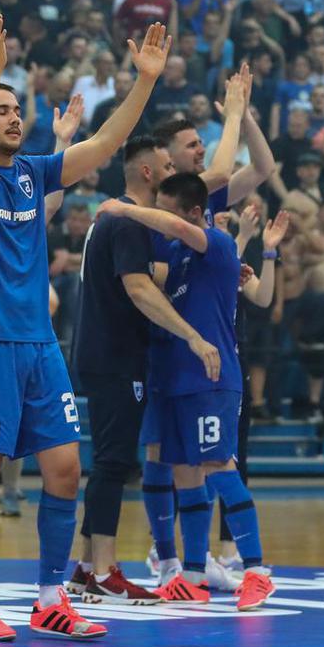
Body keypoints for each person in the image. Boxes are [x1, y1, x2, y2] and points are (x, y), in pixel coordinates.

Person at [0, 13, 169, 643]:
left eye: (18, 110)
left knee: (65, 469)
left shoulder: (32, 172)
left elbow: (103, 146)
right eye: (1, 110)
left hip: (38, 344)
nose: (14, 118)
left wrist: (144, 82)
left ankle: (49, 598)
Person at [97, 175, 281, 611]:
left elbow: (178, 227)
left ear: (195, 214)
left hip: (211, 378)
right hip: (174, 379)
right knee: (185, 474)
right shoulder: (178, 255)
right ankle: (193, 575)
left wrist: (125, 208)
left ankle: (256, 572)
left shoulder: (215, 243)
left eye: (166, 211)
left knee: (220, 466)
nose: (159, 220)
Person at [66, 135, 209, 605]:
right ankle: (105, 572)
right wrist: (191, 334)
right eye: (167, 166)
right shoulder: (126, 220)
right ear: (148, 173)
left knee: (109, 460)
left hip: (101, 352)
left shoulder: (118, 218)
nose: (174, 173)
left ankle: (85, 567)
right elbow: (139, 289)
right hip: (115, 355)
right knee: (112, 463)